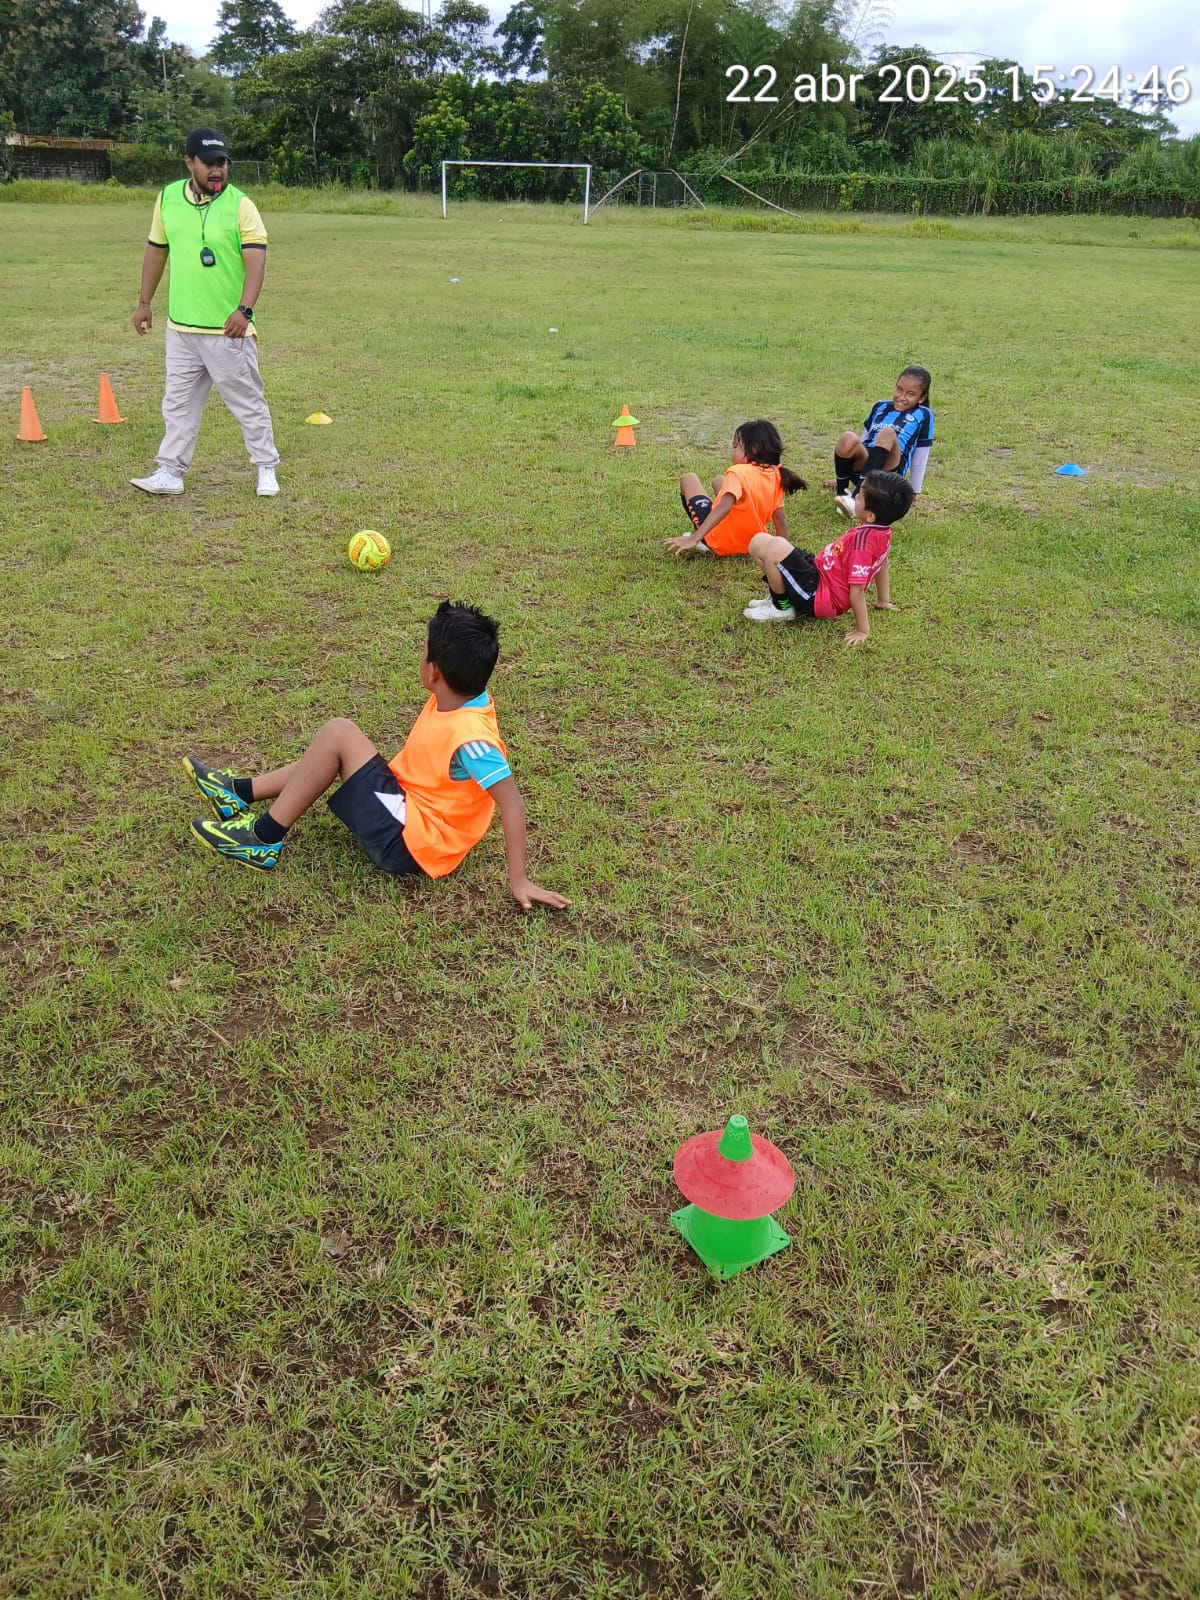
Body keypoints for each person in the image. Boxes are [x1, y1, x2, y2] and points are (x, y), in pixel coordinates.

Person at [182, 601, 570, 911]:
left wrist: (519, 879)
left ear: (434, 672)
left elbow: (512, 802)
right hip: (408, 806)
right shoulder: (462, 697)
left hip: (413, 843)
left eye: (423, 652)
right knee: (332, 749)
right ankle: (238, 792)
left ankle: (263, 839)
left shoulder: (473, 742)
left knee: (339, 734)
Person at [130, 127, 281, 498]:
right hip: (182, 328)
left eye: (222, 163)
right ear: (189, 162)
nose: (218, 171)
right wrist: (145, 302)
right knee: (178, 405)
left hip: (227, 330)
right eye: (210, 164)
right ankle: (170, 471)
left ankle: (266, 468)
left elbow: (256, 263)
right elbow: (156, 250)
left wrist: (244, 310)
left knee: (247, 402)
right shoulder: (167, 199)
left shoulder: (241, 205)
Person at [743, 469, 914, 645]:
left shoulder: (863, 544)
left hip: (820, 594)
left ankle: (782, 607)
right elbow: (881, 564)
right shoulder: (882, 530)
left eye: (860, 497)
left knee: (775, 549)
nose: (855, 497)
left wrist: (862, 629)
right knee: (758, 541)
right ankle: (783, 597)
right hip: (819, 570)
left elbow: (857, 590)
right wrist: (883, 601)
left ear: (871, 515)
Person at [664, 420, 807, 556]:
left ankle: (703, 540)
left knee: (688, 479)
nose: (732, 453)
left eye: (735, 447)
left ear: (754, 449)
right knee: (719, 481)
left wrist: (694, 538)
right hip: (752, 543)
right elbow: (780, 519)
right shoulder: (776, 474)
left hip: (720, 542)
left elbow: (725, 507)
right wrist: (785, 553)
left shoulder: (737, 472)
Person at [830, 367, 933, 517]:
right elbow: (864, 440)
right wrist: (843, 473)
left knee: (888, 433)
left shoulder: (924, 414)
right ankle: (843, 496)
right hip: (868, 463)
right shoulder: (880, 406)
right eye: (899, 389)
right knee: (848, 437)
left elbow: (921, 453)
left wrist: (914, 491)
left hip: (890, 472)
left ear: (922, 398)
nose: (902, 397)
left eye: (910, 394)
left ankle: (856, 497)